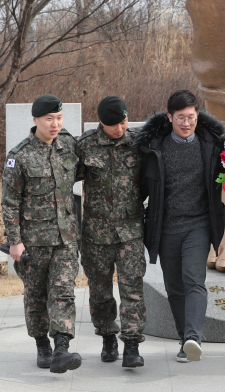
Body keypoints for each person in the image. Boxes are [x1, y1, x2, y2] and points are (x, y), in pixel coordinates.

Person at [136, 90, 225, 363]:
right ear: (170, 117)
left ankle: (193, 337)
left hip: (199, 224)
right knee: (174, 287)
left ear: (198, 116)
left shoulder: (212, 145)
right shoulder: (155, 148)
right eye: (180, 118)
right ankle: (184, 340)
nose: (186, 123)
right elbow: (140, 189)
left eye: (191, 117)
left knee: (194, 280)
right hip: (165, 228)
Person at [1, 94, 82, 374]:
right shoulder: (19, 156)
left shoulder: (68, 145)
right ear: (35, 120)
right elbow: (10, 202)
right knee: (36, 296)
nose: (55, 124)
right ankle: (42, 346)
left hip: (65, 239)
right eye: (49, 119)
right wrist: (15, 241)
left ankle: (62, 347)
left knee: (63, 292)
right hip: (33, 243)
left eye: (59, 118)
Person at [75, 96, 146, 367]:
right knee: (100, 292)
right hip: (96, 234)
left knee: (133, 290)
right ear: (101, 122)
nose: (120, 129)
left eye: (124, 122)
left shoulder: (137, 142)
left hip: (130, 232)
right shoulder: (85, 145)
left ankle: (131, 345)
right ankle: (108, 337)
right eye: (113, 124)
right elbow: (64, 176)